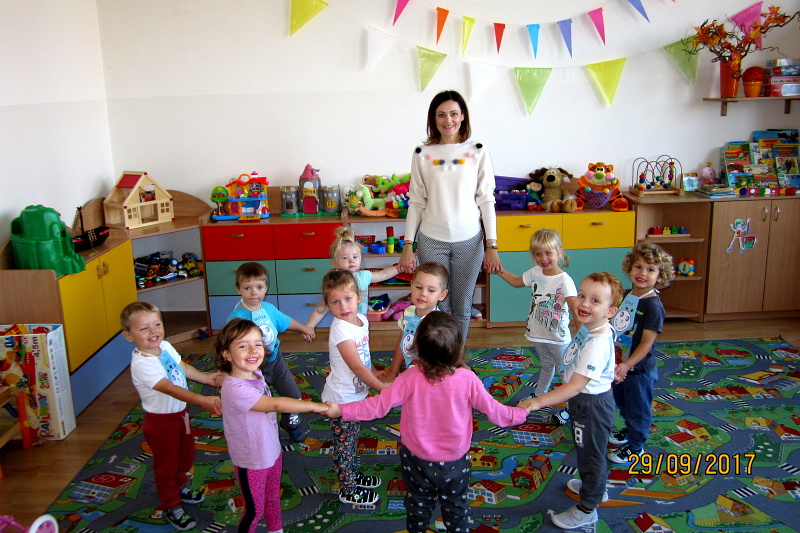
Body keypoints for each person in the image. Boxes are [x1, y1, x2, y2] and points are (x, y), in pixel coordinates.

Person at [326, 311, 533, 533]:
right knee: (456, 507)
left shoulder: (409, 378)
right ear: (457, 349)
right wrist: (521, 412)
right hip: (454, 462)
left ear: (417, 348)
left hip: (416, 459)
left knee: (417, 503)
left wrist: (341, 410)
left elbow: (377, 406)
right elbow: (496, 412)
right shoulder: (468, 380)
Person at [518, 272, 623, 530]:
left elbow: (575, 386)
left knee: (590, 456)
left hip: (591, 405)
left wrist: (537, 402)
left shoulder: (597, 343)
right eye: (582, 295)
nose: (584, 303)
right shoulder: (593, 328)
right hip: (585, 402)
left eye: (595, 300)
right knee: (587, 450)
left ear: (610, 312)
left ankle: (588, 508)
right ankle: (595, 487)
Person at [398, 89, 501, 344]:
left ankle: (456, 355)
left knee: (462, 305)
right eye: (441, 114)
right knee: (438, 305)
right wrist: (408, 245)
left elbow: (486, 199)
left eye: (454, 114)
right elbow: (416, 202)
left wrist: (492, 245)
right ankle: (440, 354)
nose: (448, 120)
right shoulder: (422, 153)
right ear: (433, 118)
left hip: (470, 241)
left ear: (463, 116)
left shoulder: (478, 151)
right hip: (432, 240)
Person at [215, 318, 328, 533]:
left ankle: (276, 530)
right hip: (252, 460)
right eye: (243, 346)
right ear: (227, 354)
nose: (253, 350)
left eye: (258, 344)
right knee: (254, 510)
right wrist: (315, 406)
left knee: (273, 498)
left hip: (271, 451)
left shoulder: (255, 373)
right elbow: (275, 404)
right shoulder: (235, 388)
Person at [121, 302, 223, 531]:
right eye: (144, 328)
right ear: (129, 336)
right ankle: (171, 504)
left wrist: (206, 378)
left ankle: (179, 487)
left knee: (186, 456)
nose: (153, 331)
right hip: (161, 423)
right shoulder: (142, 364)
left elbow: (182, 368)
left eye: (157, 324)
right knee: (166, 466)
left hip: (180, 415)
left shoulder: (164, 346)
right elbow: (170, 388)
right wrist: (202, 400)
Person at [319, 269, 388, 505]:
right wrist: (381, 387)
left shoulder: (361, 320)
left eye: (348, 299)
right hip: (341, 399)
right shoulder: (340, 329)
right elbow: (356, 367)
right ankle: (348, 489)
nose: (343, 306)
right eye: (335, 302)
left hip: (355, 394)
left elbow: (363, 356)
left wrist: (374, 371)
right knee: (345, 447)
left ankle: (353, 476)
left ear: (359, 296)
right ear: (328, 304)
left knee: (351, 441)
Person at [227, 262, 315, 442]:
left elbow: (286, 321)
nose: (254, 293)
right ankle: (260, 432)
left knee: (293, 395)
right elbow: (228, 346)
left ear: (266, 287)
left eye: (259, 287)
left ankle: (290, 424)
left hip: (276, 362)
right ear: (238, 289)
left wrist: (304, 328)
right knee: (259, 404)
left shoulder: (269, 309)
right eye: (247, 288)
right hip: (251, 369)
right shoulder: (237, 318)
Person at [607, 243, 673, 465]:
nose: (642, 273)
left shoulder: (653, 306)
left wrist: (628, 365)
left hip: (639, 371)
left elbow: (646, 343)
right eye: (638, 266)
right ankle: (629, 430)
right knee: (623, 403)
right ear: (630, 267)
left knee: (639, 409)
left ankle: (636, 447)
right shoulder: (626, 296)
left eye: (650, 269)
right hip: (620, 364)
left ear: (660, 276)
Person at [493, 229, 577, 397]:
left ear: (560, 252)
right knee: (546, 365)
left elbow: (575, 310)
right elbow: (516, 281)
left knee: (565, 371)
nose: (543, 258)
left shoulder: (564, 281)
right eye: (538, 254)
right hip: (538, 333)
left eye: (548, 253)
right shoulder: (535, 272)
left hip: (557, 338)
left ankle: (572, 400)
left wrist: (583, 337)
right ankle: (540, 394)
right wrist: (498, 270)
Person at [305, 226, 399, 333]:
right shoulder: (336, 282)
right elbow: (322, 307)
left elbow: (383, 274)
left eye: (355, 257)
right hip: (344, 325)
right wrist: (310, 326)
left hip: (362, 322)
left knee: (362, 342)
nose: (351, 261)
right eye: (345, 258)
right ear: (335, 262)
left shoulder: (363, 276)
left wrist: (398, 268)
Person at [384, 262, 449, 381]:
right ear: (411, 285)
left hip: (430, 376)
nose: (423, 294)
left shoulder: (439, 323)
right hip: (411, 371)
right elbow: (402, 343)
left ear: (442, 295)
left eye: (431, 290)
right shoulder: (408, 312)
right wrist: (392, 372)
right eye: (419, 287)